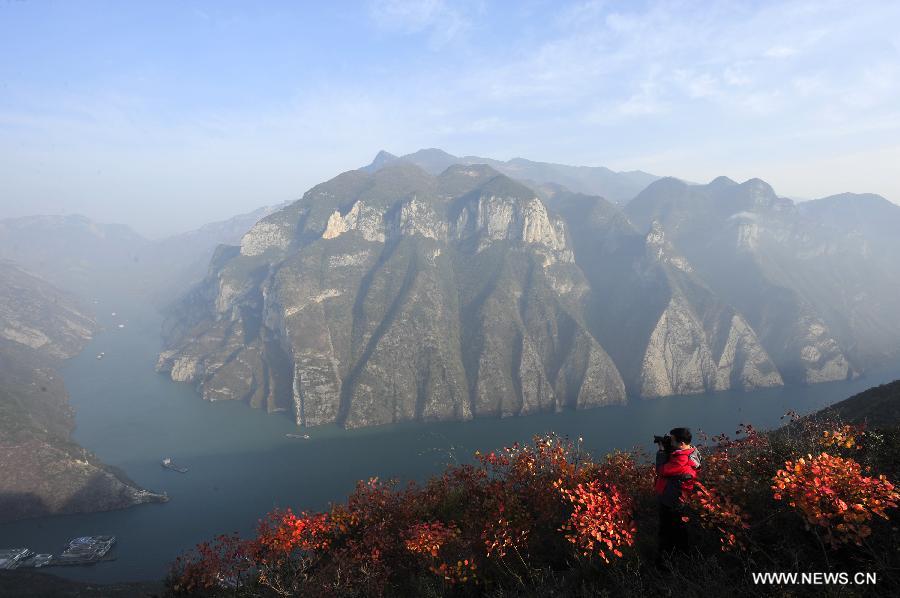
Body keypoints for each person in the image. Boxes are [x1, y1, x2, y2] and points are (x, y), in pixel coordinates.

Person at [654, 427, 701, 560]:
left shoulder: (681, 461)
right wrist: (670, 448)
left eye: (672, 440)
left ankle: (665, 564)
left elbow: (661, 470)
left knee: (666, 533)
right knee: (679, 531)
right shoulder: (690, 452)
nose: (670, 442)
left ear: (681, 443)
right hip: (679, 499)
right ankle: (684, 558)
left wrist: (662, 451)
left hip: (672, 502)